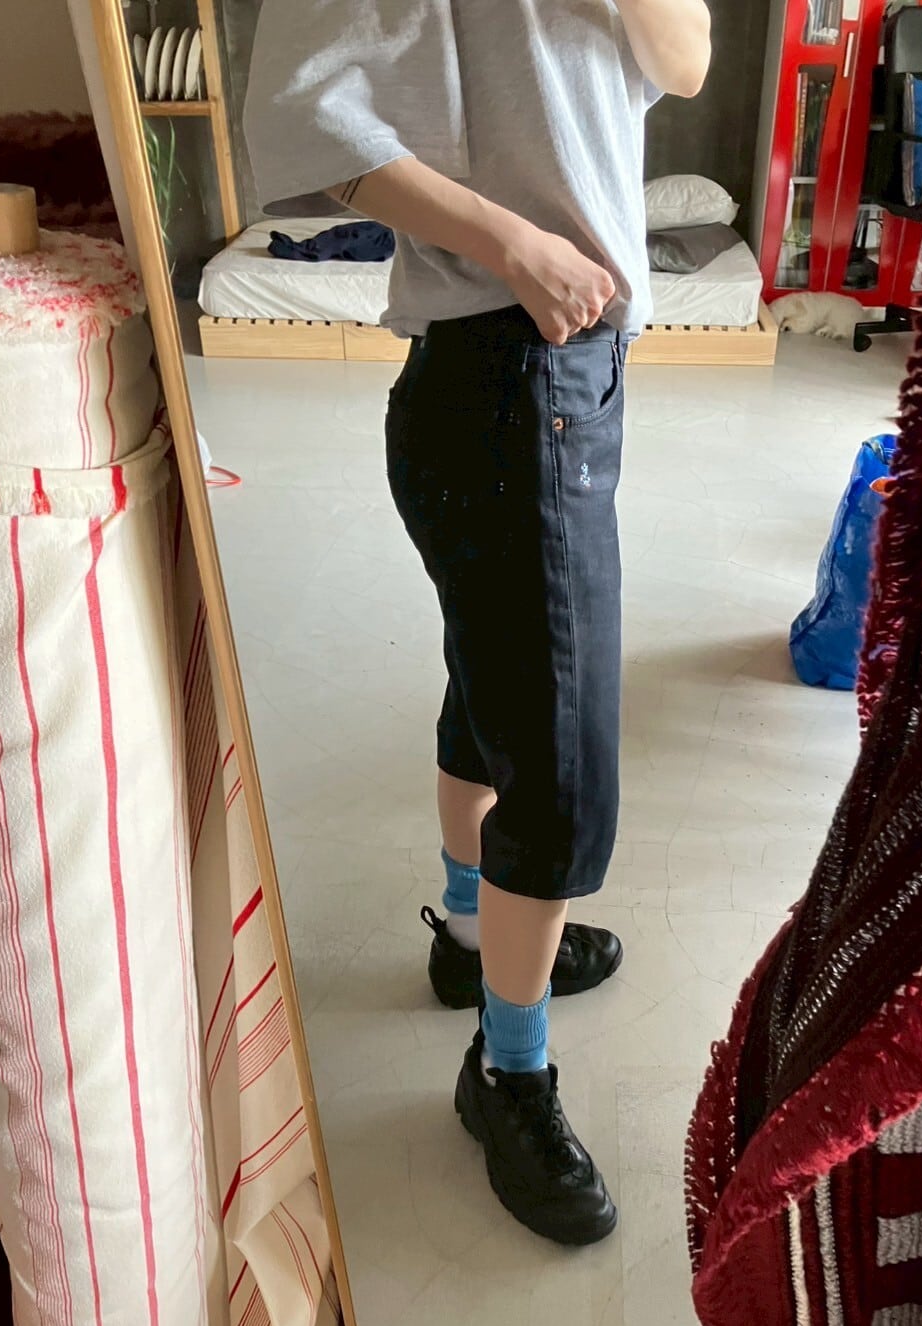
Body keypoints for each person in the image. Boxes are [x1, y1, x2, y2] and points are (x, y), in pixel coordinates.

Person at [244, 0, 712, 1246]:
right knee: (559, 773)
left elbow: (683, 62)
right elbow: (300, 114)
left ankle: (468, 933)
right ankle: (507, 1072)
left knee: (495, 685)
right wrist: (512, 242)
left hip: (560, 374)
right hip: (508, 368)